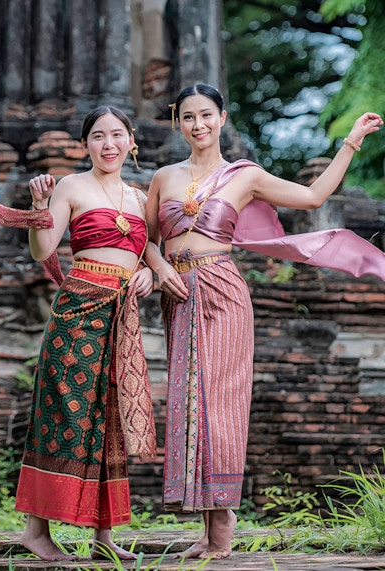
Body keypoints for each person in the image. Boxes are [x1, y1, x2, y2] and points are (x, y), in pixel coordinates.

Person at [144, 83, 385, 560]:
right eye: (189, 117)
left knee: (221, 402)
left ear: (223, 117)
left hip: (223, 291)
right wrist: (161, 266)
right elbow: (147, 240)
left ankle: (223, 521)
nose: (198, 125)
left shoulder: (245, 175)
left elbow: (314, 197)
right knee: (190, 403)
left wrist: (351, 141)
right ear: (179, 122)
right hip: (179, 294)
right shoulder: (163, 178)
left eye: (207, 115)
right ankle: (209, 522)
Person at [11, 105, 156, 561]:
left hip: (120, 319)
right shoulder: (72, 186)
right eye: (97, 136)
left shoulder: (139, 197)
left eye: (117, 135)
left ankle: (103, 537)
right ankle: (36, 531)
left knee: (109, 419)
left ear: (132, 141)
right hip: (77, 314)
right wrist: (38, 209)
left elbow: (148, 245)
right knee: (63, 415)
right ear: (85, 144)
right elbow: (43, 251)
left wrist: (150, 272)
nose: (108, 144)